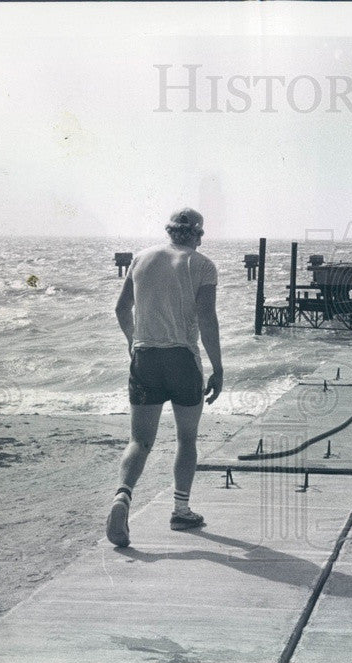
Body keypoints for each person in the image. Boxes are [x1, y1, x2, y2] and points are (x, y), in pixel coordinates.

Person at [106, 208, 222, 547]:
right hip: (182, 359)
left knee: (139, 441)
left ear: (169, 231)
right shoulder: (202, 264)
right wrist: (218, 367)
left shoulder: (141, 258)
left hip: (145, 358)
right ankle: (180, 510)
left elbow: (120, 308)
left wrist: (133, 341)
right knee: (187, 439)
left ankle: (122, 497)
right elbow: (207, 319)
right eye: (201, 234)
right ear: (197, 235)